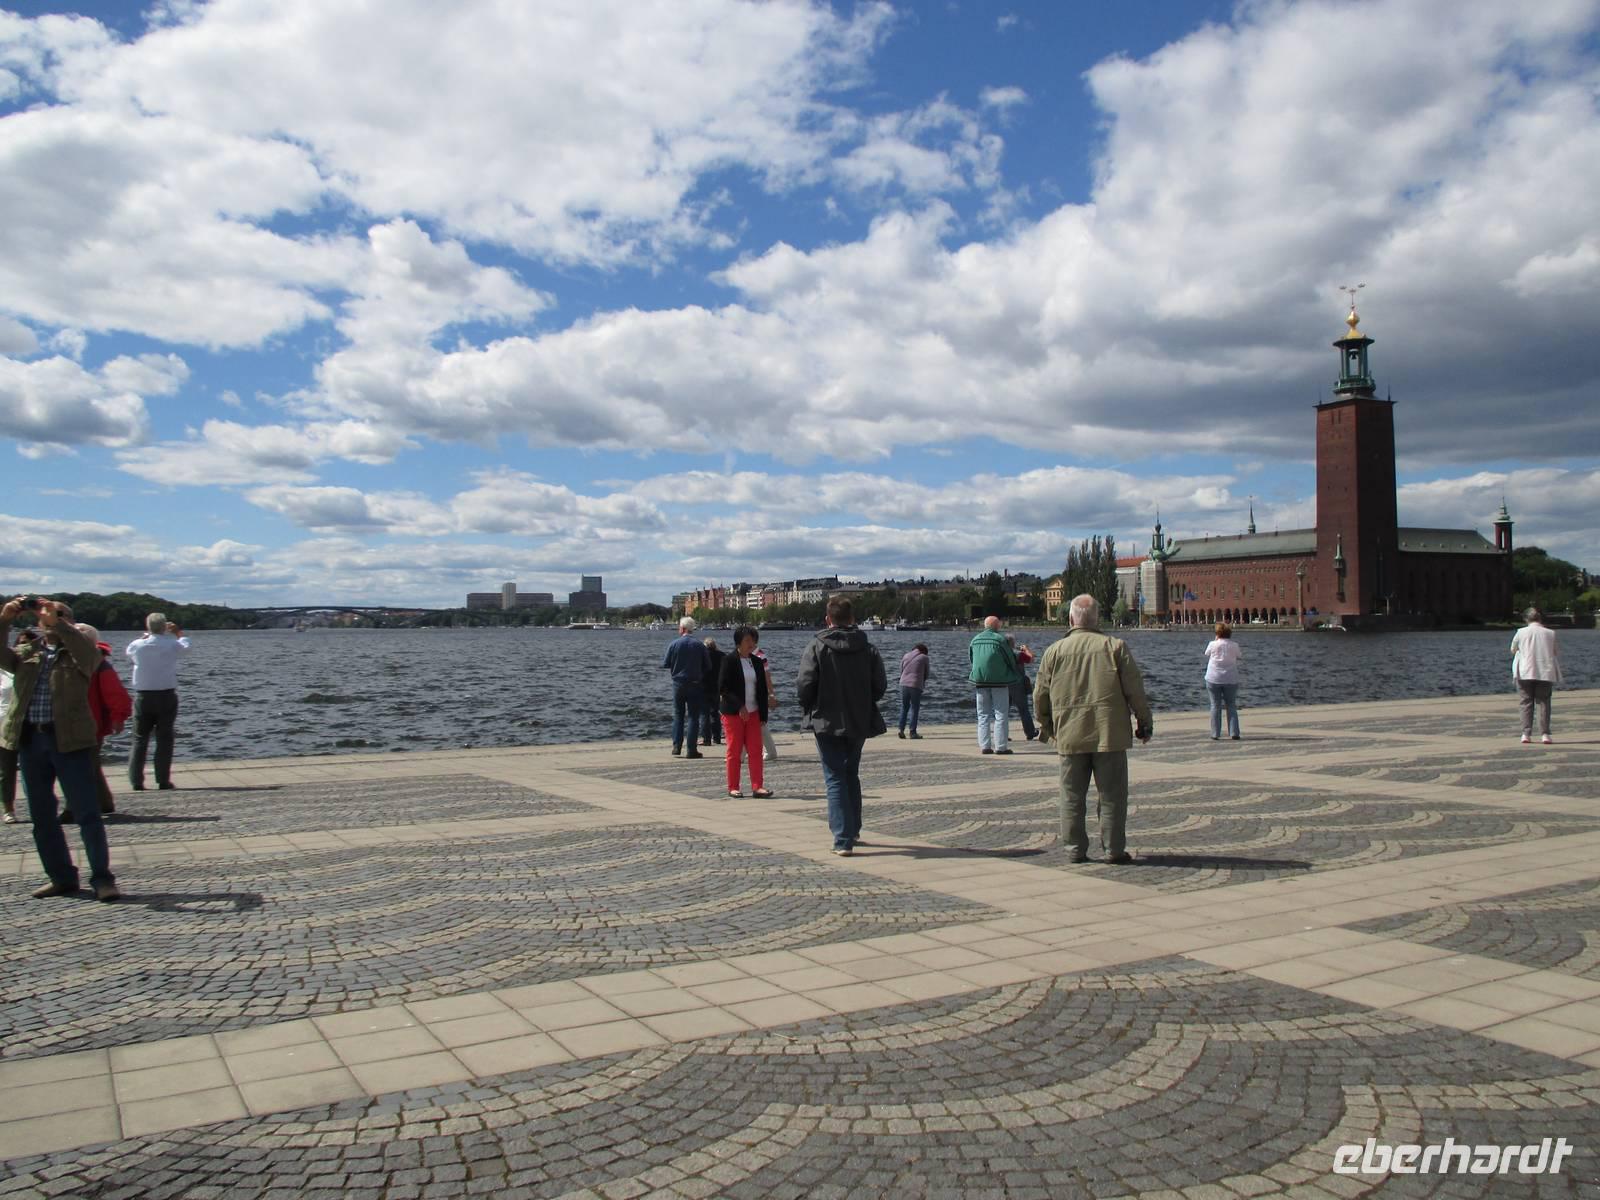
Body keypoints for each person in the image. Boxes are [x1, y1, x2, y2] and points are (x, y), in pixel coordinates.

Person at [0, 596, 120, 901]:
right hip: (31, 740)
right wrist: (4, 620)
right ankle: (61, 877)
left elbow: (89, 657)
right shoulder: (29, 652)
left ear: (68, 620)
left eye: (57, 613)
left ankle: (102, 878)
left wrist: (61, 623)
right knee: (42, 816)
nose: (48, 616)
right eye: (45, 613)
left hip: (70, 741)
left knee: (87, 813)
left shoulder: (82, 652)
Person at [1034, 594, 1153, 865]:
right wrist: (1144, 723)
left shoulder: (1055, 651)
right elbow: (1135, 691)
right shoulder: (1115, 647)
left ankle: (1075, 849)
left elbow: (1039, 695)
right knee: (1112, 796)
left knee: (1071, 795)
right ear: (1097, 618)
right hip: (1109, 733)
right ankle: (1113, 850)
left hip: (1069, 735)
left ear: (1071, 618)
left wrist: (1048, 727)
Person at [796, 595, 887, 856]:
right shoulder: (868, 648)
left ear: (828, 619)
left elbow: (805, 683)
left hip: (826, 719)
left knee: (834, 777)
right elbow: (880, 685)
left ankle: (842, 838)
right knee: (850, 774)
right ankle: (853, 829)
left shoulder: (816, 646)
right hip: (858, 720)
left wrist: (808, 704)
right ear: (852, 619)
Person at [60, 625, 128, 822]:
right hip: (76, 722)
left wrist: (118, 716)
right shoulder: (66, 660)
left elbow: (115, 694)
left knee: (79, 767)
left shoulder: (97, 663)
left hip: (89, 724)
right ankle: (104, 802)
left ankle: (72, 808)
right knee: (90, 764)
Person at [124, 612, 190, 790]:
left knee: (139, 739)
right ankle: (163, 779)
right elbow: (186, 647)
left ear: (147, 627)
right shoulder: (171, 644)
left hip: (143, 696)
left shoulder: (137, 645)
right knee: (165, 738)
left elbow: (129, 651)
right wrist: (178, 633)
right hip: (166, 695)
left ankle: (136, 781)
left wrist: (145, 637)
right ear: (164, 627)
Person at [718, 624, 773, 799]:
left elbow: (762, 690)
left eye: (753, 640)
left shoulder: (756, 661)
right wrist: (739, 706)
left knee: (755, 750)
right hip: (734, 713)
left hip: (754, 712)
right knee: (734, 750)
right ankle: (733, 786)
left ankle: (758, 786)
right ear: (738, 642)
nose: (751, 643)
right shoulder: (729, 660)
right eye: (748, 640)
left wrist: (763, 714)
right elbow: (723, 688)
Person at [968, 615, 1023, 754]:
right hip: (999, 681)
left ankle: (985, 746)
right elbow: (1010, 658)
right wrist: (1014, 672)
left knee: (982, 715)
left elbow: (971, 659)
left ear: (984, 625)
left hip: (980, 681)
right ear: (997, 626)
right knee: (1001, 714)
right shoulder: (1000, 640)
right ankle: (1001, 747)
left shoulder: (974, 640)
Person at [1511, 607, 1563, 744]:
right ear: (1540, 618)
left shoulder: (1521, 632)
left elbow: (1513, 649)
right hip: (1545, 671)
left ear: (1526, 619)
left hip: (1525, 671)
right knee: (1544, 702)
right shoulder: (1550, 633)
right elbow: (1556, 651)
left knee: (1525, 702)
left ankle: (1525, 734)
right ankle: (1545, 734)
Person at [0, 627, 35, 824]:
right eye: (21, 642)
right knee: (6, 769)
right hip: (5, 721)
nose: (24, 646)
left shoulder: (38, 667)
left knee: (35, 767)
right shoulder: (4, 668)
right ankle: (8, 808)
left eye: (28, 643)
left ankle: (37, 804)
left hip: (31, 722)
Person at [660, 617, 708, 758]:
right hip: (695, 684)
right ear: (692, 629)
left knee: (678, 715)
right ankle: (691, 749)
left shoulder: (674, 644)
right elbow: (708, 665)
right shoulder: (699, 645)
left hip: (678, 684)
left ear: (682, 628)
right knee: (693, 717)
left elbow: (666, 663)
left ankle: (676, 746)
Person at [1202, 622, 1242, 740]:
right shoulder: (1234, 645)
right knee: (1231, 705)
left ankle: (1215, 733)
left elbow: (1206, 654)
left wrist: (1216, 640)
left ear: (1217, 633)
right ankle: (1234, 732)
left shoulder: (1212, 644)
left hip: (1213, 677)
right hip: (1230, 678)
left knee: (1215, 705)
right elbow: (1239, 655)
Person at [1005, 634, 1038, 742]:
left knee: (1003, 710)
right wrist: (1026, 649)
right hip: (1017, 684)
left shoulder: (1001, 654)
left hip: (1004, 684)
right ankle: (1030, 732)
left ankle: (1002, 734)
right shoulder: (1018, 654)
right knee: (1023, 709)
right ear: (1013, 643)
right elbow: (1031, 658)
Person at [897, 642, 930, 739]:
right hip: (916, 685)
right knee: (914, 709)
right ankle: (912, 732)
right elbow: (927, 673)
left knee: (904, 707)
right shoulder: (924, 658)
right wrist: (922, 680)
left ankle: (901, 730)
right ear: (924, 651)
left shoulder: (906, 655)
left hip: (903, 684)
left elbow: (901, 669)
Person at [754, 647, 779, 762]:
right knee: (756, 723)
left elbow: (767, 676)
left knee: (757, 722)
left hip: (758, 694)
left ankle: (740, 754)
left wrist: (771, 695)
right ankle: (770, 751)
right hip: (752, 693)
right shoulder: (749, 655)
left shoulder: (760, 656)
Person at [699, 637, 725, 747]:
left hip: (703, 687)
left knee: (704, 713)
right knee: (715, 712)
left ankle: (706, 739)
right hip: (717, 688)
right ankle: (717, 738)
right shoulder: (722, 655)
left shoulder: (702, 656)